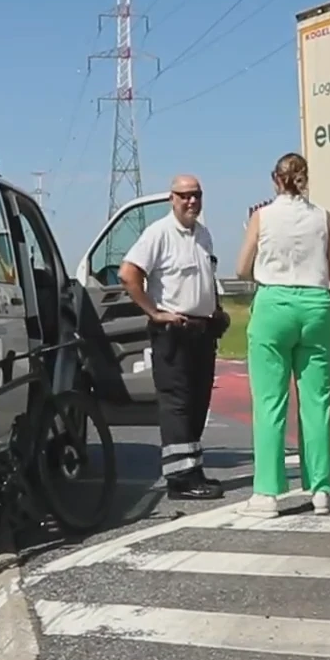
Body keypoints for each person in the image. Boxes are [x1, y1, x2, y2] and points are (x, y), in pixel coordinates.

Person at [235, 153, 330, 517]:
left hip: (274, 303)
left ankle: (267, 493)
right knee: (317, 402)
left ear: (275, 179)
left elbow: (241, 268)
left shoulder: (262, 216)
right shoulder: (323, 216)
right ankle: (321, 489)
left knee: (270, 402)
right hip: (316, 305)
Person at [119, 174, 230, 501]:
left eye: (196, 195)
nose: (191, 201)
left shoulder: (203, 235)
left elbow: (206, 278)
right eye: (184, 196)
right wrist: (154, 312)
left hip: (202, 331)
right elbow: (128, 274)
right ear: (172, 199)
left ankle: (192, 469)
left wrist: (216, 311)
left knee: (198, 404)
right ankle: (181, 480)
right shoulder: (159, 234)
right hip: (174, 332)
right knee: (177, 405)